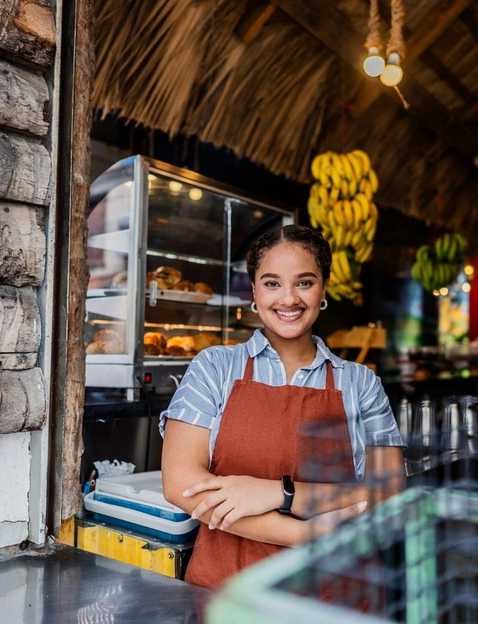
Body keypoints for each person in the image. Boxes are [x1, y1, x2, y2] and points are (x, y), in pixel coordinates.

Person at [160, 224, 406, 590]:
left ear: (324, 288)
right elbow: (182, 485)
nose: (288, 298)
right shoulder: (214, 368)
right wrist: (307, 534)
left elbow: (389, 497)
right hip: (231, 594)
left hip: (336, 599)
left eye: (304, 282)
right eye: (272, 283)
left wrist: (279, 493)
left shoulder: (361, 384)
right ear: (254, 291)